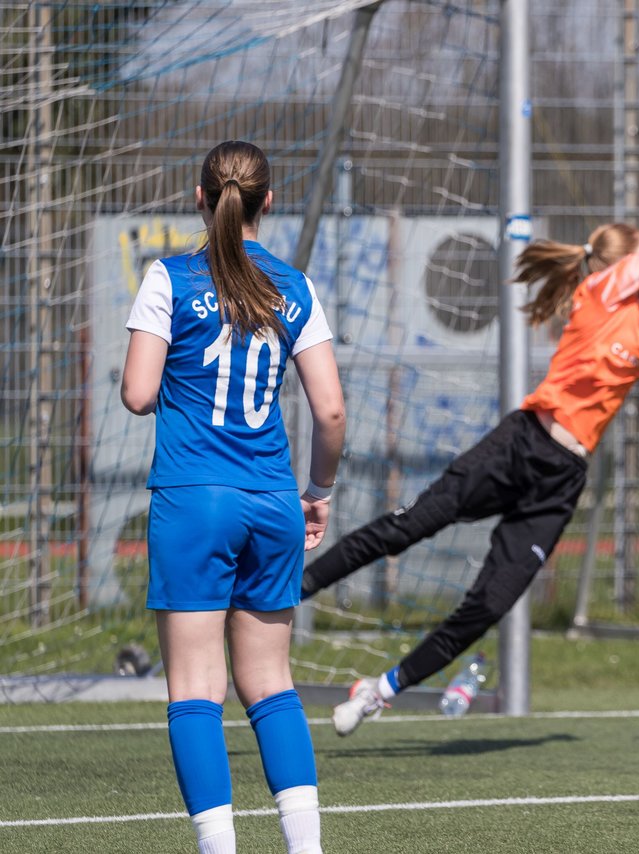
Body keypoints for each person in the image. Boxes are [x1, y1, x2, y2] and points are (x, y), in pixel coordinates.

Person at [310, 99, 639, 736]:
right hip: (519, 445)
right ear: (617, 268)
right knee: (406, 529)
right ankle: (291, 589)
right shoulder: (602, 291)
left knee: (490, 603)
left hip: (559, 479)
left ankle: (380, 690)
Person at [121, 140, 346, 854]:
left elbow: (136, 394)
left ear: (198, 198)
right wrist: (319, 492)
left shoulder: (170, 277)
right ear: (267, 203)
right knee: (272, 683)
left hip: (194, 499)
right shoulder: (295, 286)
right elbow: (332, 412)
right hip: (274, 500)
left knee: (195, 686)